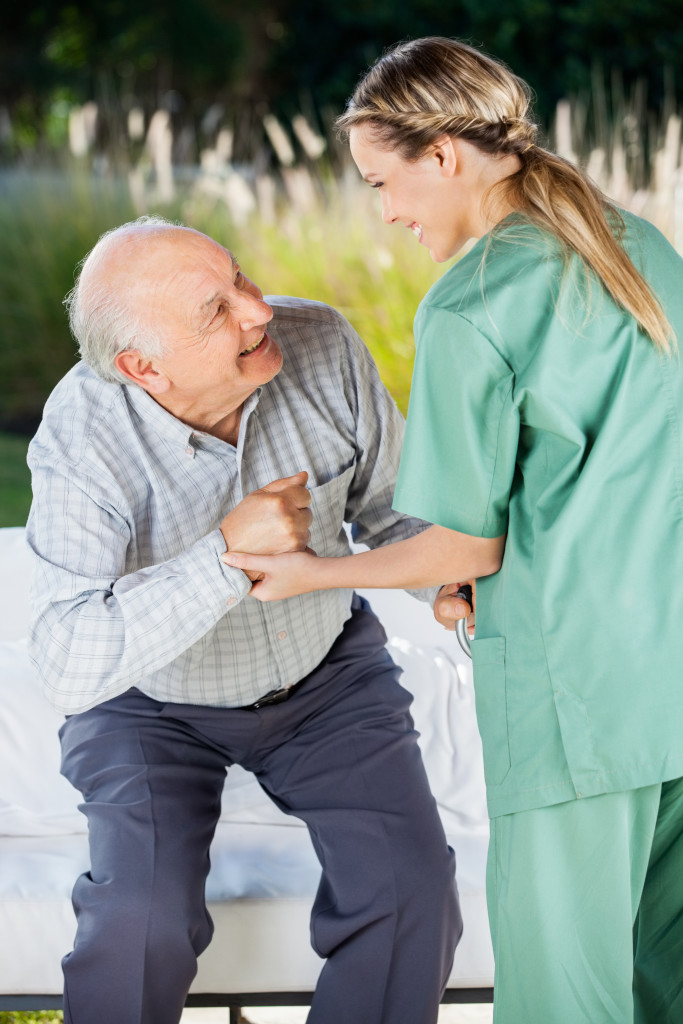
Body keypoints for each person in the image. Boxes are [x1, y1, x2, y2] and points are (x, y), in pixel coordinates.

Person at [222, 36, 683, 1024]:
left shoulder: (469, 305)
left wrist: (305, 569)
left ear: (443, 156)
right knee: (662, 983)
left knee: (566, 1002)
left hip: (576, 703)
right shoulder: (637, 247)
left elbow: (461, 548)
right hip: (668, 677)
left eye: (384, 181)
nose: (385, 212)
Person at [25, 215, 462, 1024]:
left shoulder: (322, 344)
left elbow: (399, 513)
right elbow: (66, 658)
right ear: (141, 366)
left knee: (411, 894)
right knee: (139, 923)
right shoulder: (83, 433)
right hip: (149, 706)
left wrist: (446, 582)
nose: (257, 310)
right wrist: (225, 554)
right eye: (214, 312)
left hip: (326, 678)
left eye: (240, 280)